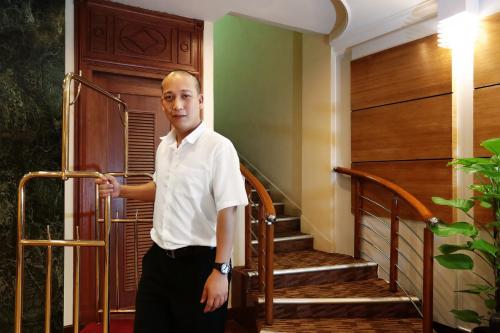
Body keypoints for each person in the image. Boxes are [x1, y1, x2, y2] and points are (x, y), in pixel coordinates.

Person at [96, 70, 248, 332]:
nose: (177, 105)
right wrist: (121, 191)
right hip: (158, 261)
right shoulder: (164, 146)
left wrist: (221, 271)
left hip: (201, 264)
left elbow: (228, 209)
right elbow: (161, 187)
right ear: (162, 102)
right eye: (169, 97)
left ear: (200, 100)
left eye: (185, 96)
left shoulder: (219, 148)